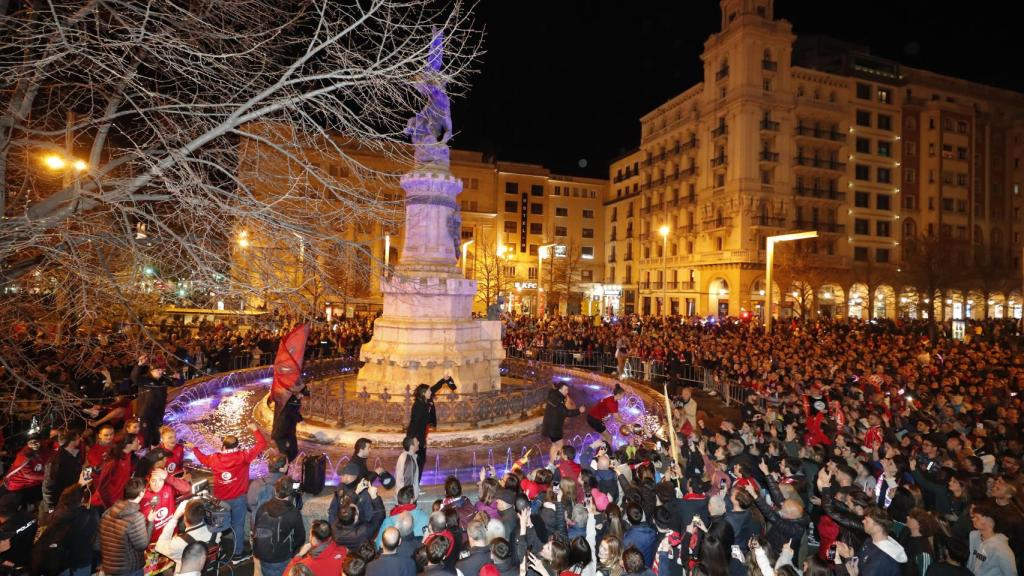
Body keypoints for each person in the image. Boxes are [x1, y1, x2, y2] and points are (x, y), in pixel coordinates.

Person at [187, 420, 268, 562]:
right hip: (238, 499)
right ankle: (237, 555)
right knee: (238, 525)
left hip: (220, 500)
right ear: (238, 446)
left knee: (217, 524)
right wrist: (255, 429)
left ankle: (216, 550)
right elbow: (262, 445)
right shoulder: (244, 457)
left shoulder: (215, 459)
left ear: (223, 446)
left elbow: (202, 459)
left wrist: (194, 448)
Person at [99, 477, 154, 576]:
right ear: (142, 493)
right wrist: (150, 523)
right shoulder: (136, 517)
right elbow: (142, 545)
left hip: (110, 568)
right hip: (129, 570)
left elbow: (98, 543)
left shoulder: (107, 512)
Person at [252, 476, 306, 576]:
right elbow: (300, 538)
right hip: (281, 558)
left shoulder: (263, 507)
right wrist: (291, 551)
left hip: (263, 555)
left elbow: (255, 529)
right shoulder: (293, 513)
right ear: (291, 494)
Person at [407, 378, 456, 481]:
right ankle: (413, 485)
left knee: (421, 462)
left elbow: (435, 387)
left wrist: (444, 379)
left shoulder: (426, 400)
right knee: (417, 463)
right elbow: (414, 425)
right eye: (429, 391)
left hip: (421, 437)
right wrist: (415, 442)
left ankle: (416, 483)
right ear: (424, 393)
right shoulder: (418, 406)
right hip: (416, 439)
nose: (431, 392)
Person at [155, 498, 221, 571]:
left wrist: (175, 518)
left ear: (185, 519)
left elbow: (159, 546)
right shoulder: (216, 531)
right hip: (210, 571)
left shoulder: (178, 543)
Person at [132, 354, 175, 447]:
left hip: (158, 413)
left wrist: (179, 377)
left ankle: (155, 452)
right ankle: (145, 453)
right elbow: (134, 377)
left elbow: (177, 383)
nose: (159, 372)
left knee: (156, 436)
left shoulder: (164, 381)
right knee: (145, 436)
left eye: (161, 370)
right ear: (151, 371)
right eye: (157, 370)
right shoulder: (145, 380)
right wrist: (139, 365)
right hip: (145, 414)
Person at [140, 467, 192, 542]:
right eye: (153, 481)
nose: (157, 484)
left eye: (160, 480)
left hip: (172, 534)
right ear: (149, 480)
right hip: (154, 541)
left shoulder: (168, 487)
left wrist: (168, 477)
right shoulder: (142, 496)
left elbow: (187, 488)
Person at [41, 428, 84, 519]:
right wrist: (51, 507)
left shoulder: (74, 455)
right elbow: (48, 485)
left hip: (69, 497)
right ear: (72, 441)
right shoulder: (56, 461)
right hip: (59, 501)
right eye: (78, 438)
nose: (80, 440)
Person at [542, 382, 585, 466]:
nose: (567, 391)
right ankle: (556, 464)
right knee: (560, 447)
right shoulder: (558, 401)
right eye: (565, 389)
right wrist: (579, 411)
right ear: (560, 389)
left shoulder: (553, 394)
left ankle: (551, 463)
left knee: (554, 445)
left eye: (567, 389)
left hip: (548, 425)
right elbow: (566, 412)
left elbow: (551, 389)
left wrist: (554, 387)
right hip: (554, 428)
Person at [968, 502, 1017, 576]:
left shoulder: (1002, 549)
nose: (973, 519)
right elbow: (972, 559)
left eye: (977, 517)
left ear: (990, 522)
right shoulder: (974, 536)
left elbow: (1011, 574)